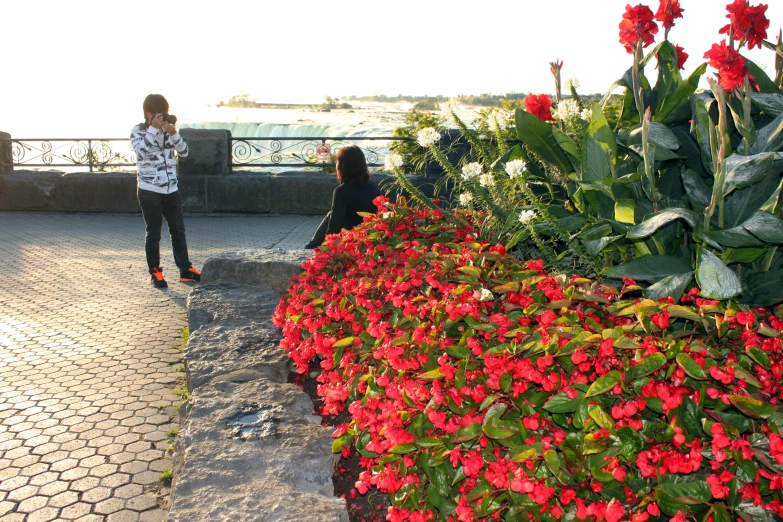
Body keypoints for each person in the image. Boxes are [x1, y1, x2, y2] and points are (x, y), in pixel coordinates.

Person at [131, 94, 200, 288]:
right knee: (153, 233)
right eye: (160, 114)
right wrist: (153, 129)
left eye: (165, 113)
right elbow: (140, 152)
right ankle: (155, 273)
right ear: (149, 114)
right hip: (149, 190)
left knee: (178, 231)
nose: (163, 117)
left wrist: (174, 133)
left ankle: (185, 270)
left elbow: (185, 152)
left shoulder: (167, 132)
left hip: (172, 190)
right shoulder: (138, 131)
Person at [305, 145, 381, 249]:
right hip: (371, 234)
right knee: (331, 214)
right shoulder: (371, 185)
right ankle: (311, 245)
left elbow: (335, 225)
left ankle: (311, 247)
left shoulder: (341, 191)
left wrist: (326, 246)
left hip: (354, 236)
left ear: (342, 166)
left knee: (331, 216)